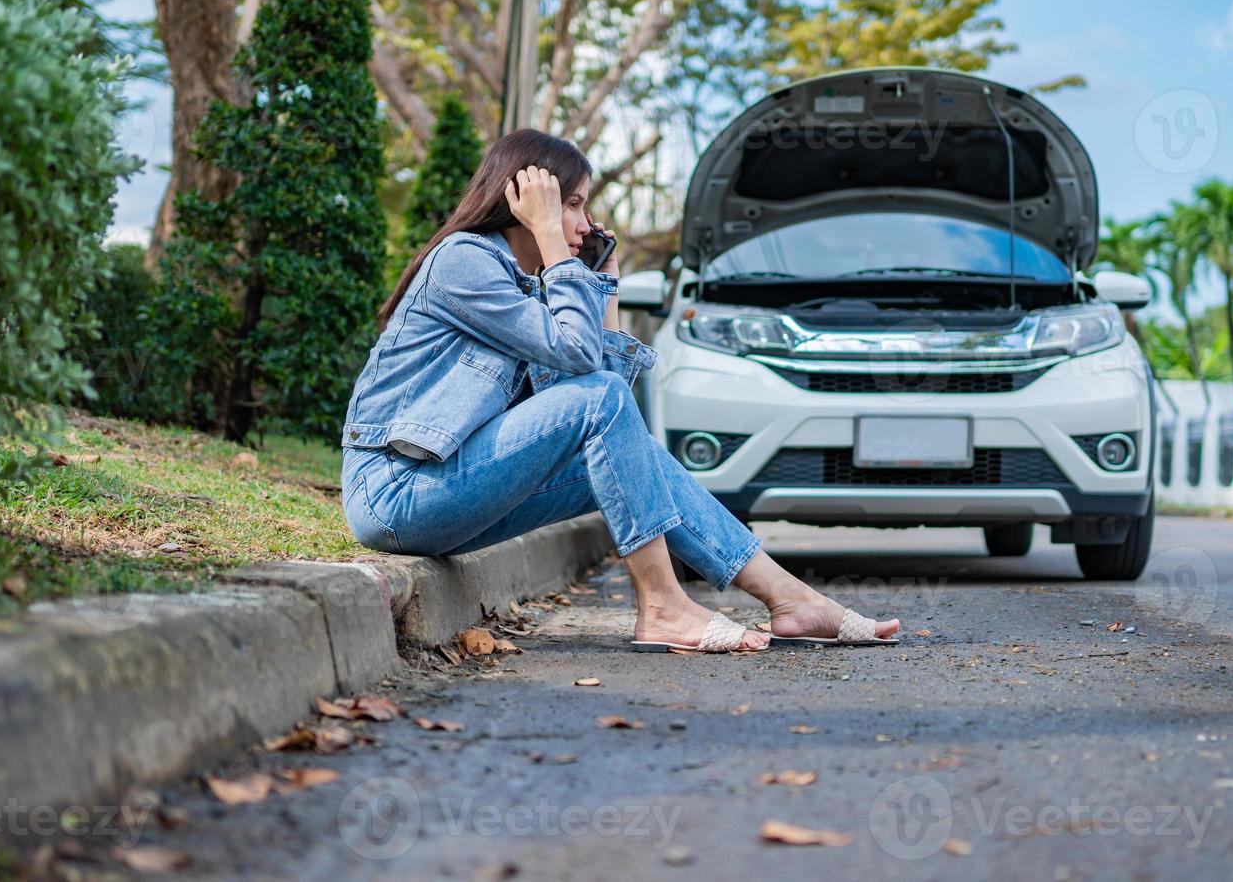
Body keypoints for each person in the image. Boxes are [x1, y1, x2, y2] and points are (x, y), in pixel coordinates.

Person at [340, 128, 900, 653]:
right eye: (575, 202)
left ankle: (792, 601)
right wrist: (555, 247)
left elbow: (587, 386)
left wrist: (602, 280)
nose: (586, 221)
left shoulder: (528, 283)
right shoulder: (465, 260)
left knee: (630, 454)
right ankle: (661, 605)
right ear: (526, 199)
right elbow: (590, 378)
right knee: (602, 398)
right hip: (397, 493)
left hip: (446, 493)